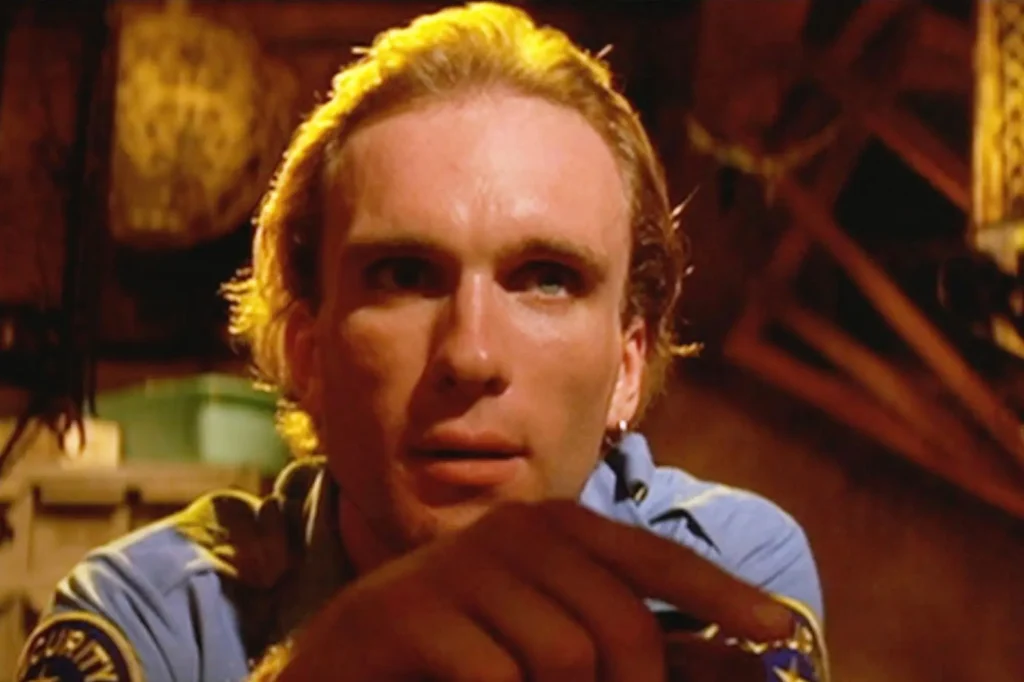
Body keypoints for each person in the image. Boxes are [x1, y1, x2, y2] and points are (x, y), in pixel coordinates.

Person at [15, 3, 827, 681]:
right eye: (405, 276)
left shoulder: (718, 577)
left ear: (627, 366)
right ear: (307, 354)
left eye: (547, 280)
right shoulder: (149, 622)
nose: (470, 355)